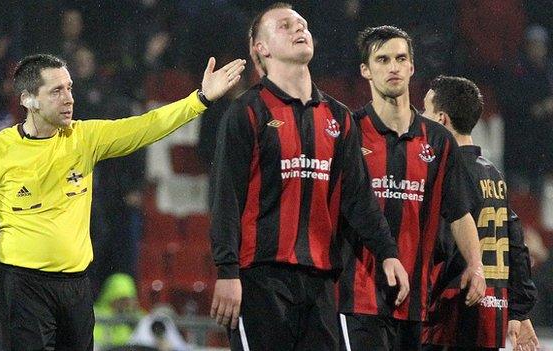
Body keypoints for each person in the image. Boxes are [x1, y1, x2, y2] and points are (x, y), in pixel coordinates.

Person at [0, 53, 245, 350]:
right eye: (56, 90)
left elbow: (146, 126)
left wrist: (200, 99)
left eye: (70, 88)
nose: (69, 98)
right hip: (23, 288)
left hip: (77, 288)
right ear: (28, 100)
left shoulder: (84, 138)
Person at [209, 4, 409, 350]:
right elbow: (226, 198)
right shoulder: (245, 113)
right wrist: (227, 272)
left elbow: (358, 199)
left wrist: (388, 252)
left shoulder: (339, 118)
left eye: (302, 24)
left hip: (320, 282)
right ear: (262, 48)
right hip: (260, 278)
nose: (300, 29)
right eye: (285, 25)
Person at [337, 26, 486, 351]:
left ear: (412, 66)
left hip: (417, 300)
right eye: (383, 59)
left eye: (400, 58)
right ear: (365, 70)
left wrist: (476, 265)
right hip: (360, 298)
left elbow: (459, 214)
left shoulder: (438, 140)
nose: (393, 66)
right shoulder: (351, 132)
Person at [421, 75, 539, 351]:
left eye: (425, 111)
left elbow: (443, 245)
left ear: (441, 119)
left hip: (452, 314)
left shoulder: (448, 172)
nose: (420, 120)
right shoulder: (492, 172)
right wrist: (520, 310)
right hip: (491, 315)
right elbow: (516, 244)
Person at [94, 273, 146, 349]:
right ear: (111, 297)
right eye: (122, 299)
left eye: (130, 299)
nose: (127, 304)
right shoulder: (94, 316)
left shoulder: (137, 318)